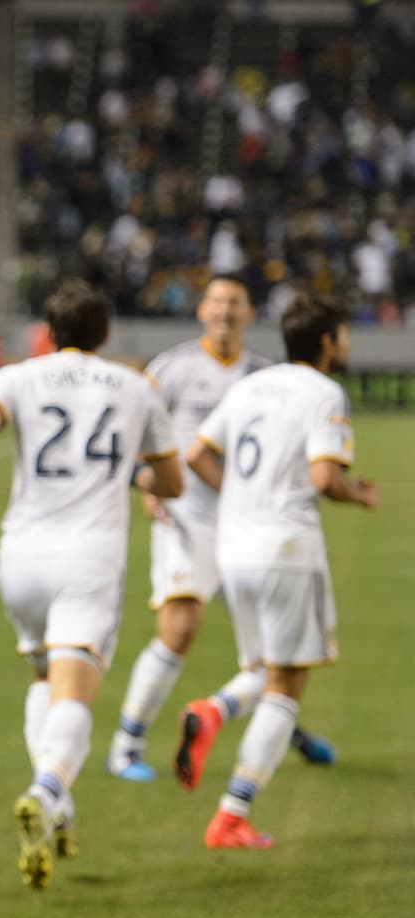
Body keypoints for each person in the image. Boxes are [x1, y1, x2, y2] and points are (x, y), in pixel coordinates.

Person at [0, 279, 182, 890]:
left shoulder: (17, 376)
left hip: (21, 555)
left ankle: (61, 803)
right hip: (88, 558)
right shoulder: (136, 387)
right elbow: (174, 481)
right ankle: (46, 790)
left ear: (49, 333)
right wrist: (132, 475)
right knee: (74, 690)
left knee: (42, 677)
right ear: (104, 334)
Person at [106, 275, 336, 780]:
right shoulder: (175, 367)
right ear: (202, 311)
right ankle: (126, 743)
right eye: (216, 301)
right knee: (181, 627)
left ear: (249, 312)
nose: (225, 311)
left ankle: (285, 729)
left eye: (235, 302)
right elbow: (132, 427)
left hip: (246, 524)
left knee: (271, 648)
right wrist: (148, 484)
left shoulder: (262, 374)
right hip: (186, 517)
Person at [175, 293, 377, 848]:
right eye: (343, 332)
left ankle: (213, 710)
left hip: (234, 547)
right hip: (287, 548)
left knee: (266, 668)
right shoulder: (324, 392)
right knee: (287, 686)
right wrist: (358, 495)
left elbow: (196, 454)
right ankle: (232, 814)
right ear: (328, 341)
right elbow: (323, 479)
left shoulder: (249, 386)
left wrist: (239, 499)